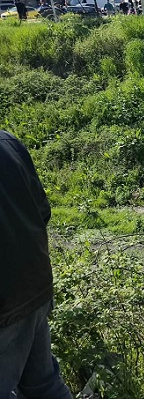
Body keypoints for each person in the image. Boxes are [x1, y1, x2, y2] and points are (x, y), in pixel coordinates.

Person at [0, 130, 73, 398]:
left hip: (5, 306)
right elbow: (43, 211)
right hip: (36, 287)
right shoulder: (7, 142)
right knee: (44, 385)